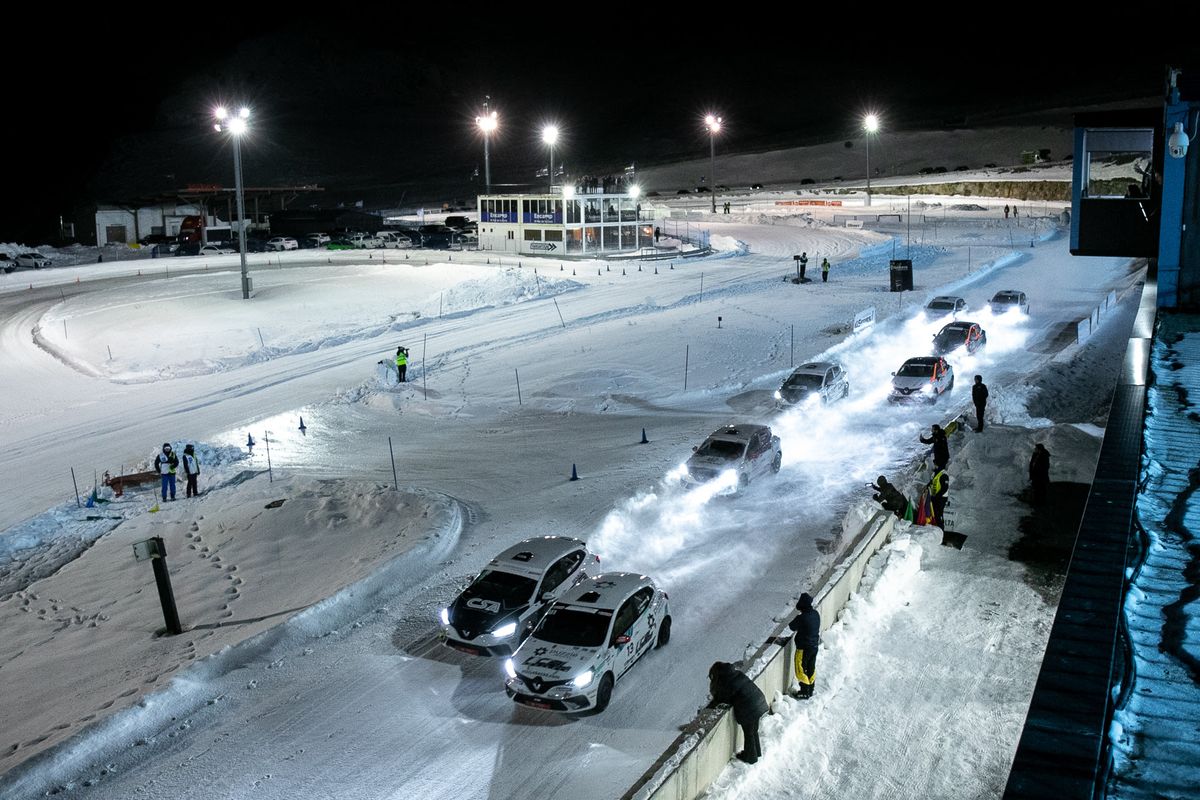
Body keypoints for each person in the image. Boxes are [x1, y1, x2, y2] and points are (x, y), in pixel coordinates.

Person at [707, 661, 769, 764]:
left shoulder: (727, 682)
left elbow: (723, 699)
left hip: (750, 707)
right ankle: (756, 753)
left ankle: (751, 758)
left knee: (749, 733)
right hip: (758, 701)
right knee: (753, 730)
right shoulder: (737, 674)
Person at [788, 593, 821, 699]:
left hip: (803, 648)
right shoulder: (816, 614)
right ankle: (811, 689)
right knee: (811, 667)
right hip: (814, 646)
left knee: (800, 668)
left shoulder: (802, 617)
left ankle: (804, 691)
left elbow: (792, 627)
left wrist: (799, 618)